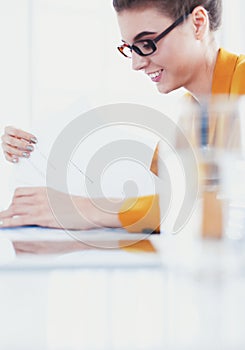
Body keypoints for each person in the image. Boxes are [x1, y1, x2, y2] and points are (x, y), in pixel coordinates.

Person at [0, 0, 245, 232]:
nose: (137, 64)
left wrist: (88, 209)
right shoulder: (191, 117)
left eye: (147, 43)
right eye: (130, 49)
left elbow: (225, 208)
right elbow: (143, 185)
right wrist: (37, 148)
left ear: (198, 23)